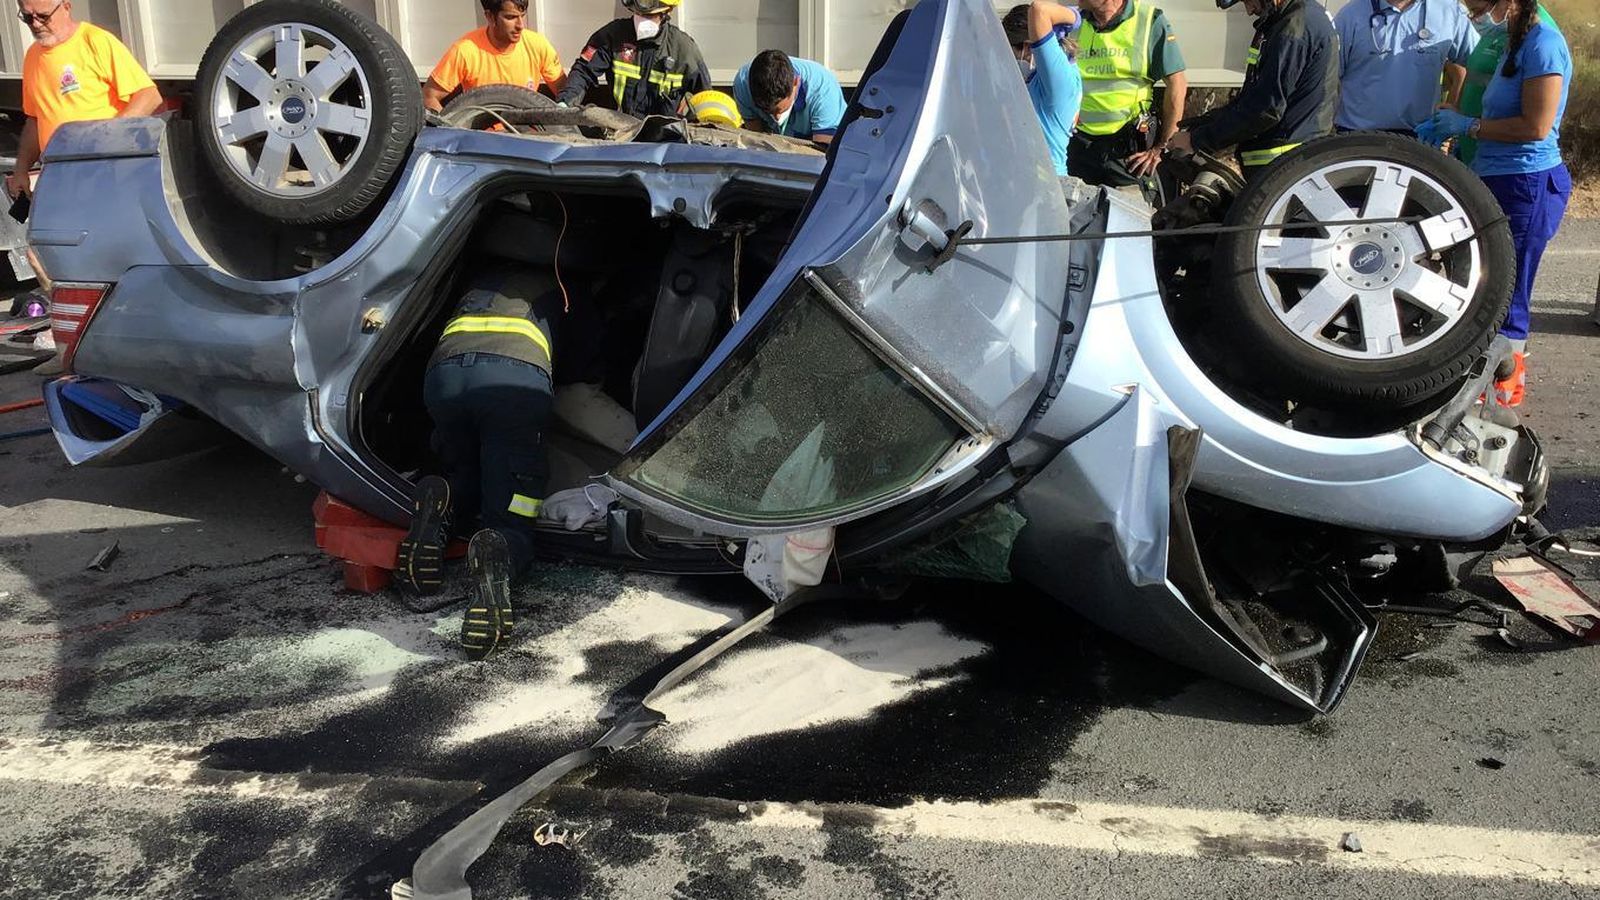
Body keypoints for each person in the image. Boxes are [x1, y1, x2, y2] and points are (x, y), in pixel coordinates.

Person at [397, 262, 592, 658]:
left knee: (467, 467)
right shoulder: (564, 284)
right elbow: (586, 368)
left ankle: (442, 502)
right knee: (514, 505)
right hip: (511, 384)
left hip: (443, 378)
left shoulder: (478, 280)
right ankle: (500, 551)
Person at [1416, 0, 1570, 407]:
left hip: (1527, 183)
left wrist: (1470, 127)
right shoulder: (1506, 41)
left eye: (1479, 3)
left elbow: (1536, 127)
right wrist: (1450, 116)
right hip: (1492, 175)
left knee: (1510, 293)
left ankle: (1503, 396)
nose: (1471, 10)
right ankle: (1479, 387)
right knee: (1483, 287)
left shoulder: (1544, 44)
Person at [7, 0, 161, 201]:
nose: (35, 24)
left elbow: (148, 95)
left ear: (66, 7)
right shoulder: (32, 57)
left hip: (106, 173)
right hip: (61, 176)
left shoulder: (96, 41)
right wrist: (21, 169)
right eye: (28, 17)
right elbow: (35, 120)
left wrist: (110, 141)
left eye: (43, 16)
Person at [1165, 0, 1338, 179]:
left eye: (1248, 1)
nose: (1248, 11)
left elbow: (1266, 109)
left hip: (1283, 167)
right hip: (1287, 163)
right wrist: (1207, 122)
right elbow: (1253, 96)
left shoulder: (1292, 30)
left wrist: (1197, 140)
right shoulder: (1289, 19)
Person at [1069, 0, 1189, 192]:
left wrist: (1161, 148)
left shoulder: (1149, 21)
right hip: (1079, 146)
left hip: (1128, 152)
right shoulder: (1073, 21)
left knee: (1135, 216)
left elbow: (1177, 85)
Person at [1333, 0, 1478, 134]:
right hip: (1356, 138)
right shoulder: (1351, 14)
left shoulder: (1449, 12)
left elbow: (1482, 65)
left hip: (1418, 139)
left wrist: (1459, 111)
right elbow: (1328, 80)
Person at [557, 0, 710, 118]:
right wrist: (565, 102)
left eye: (649, 15)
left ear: (666, 11)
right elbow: (583, 71)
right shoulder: (613, 36)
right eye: (638, 13)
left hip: (665, 141)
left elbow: (705, 98)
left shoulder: (683, 49)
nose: (641, 20)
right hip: (620, 133)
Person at [1454, 0, 1559, 165]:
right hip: (1478, 157)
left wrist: (1468, 125)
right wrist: (1456, 115)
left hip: (1515, 166)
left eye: (1478, 11)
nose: (1475, 19)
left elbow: (1536, 127)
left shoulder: (1540, 39)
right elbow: (1474, 75)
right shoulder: (1501, 30)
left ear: (1507, 3)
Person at [423, 0, 567, 113]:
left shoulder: (538, 45)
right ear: (490, 17)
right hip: (482, 138)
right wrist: (456, 133)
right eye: (510, 17)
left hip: (528, 136)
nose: (520, 25)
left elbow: (565, 93)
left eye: (522, 16)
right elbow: (429, 97)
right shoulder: (465, 50)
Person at [1002, 2, 1083, 178]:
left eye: (1009, 49)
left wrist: (1075, 17)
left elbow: (1040, 11)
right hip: (1028, 179)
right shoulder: (1040, 77)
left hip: (1043, 183)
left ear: (1029, 46)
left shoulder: (1058, 79)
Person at [731, 50, 847, 146]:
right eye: (767, 111)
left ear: (795, 83)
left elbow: (822, 155)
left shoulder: (823, 91)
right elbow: (756, 140)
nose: (776, 118)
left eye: (779, 110)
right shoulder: (742, 84)